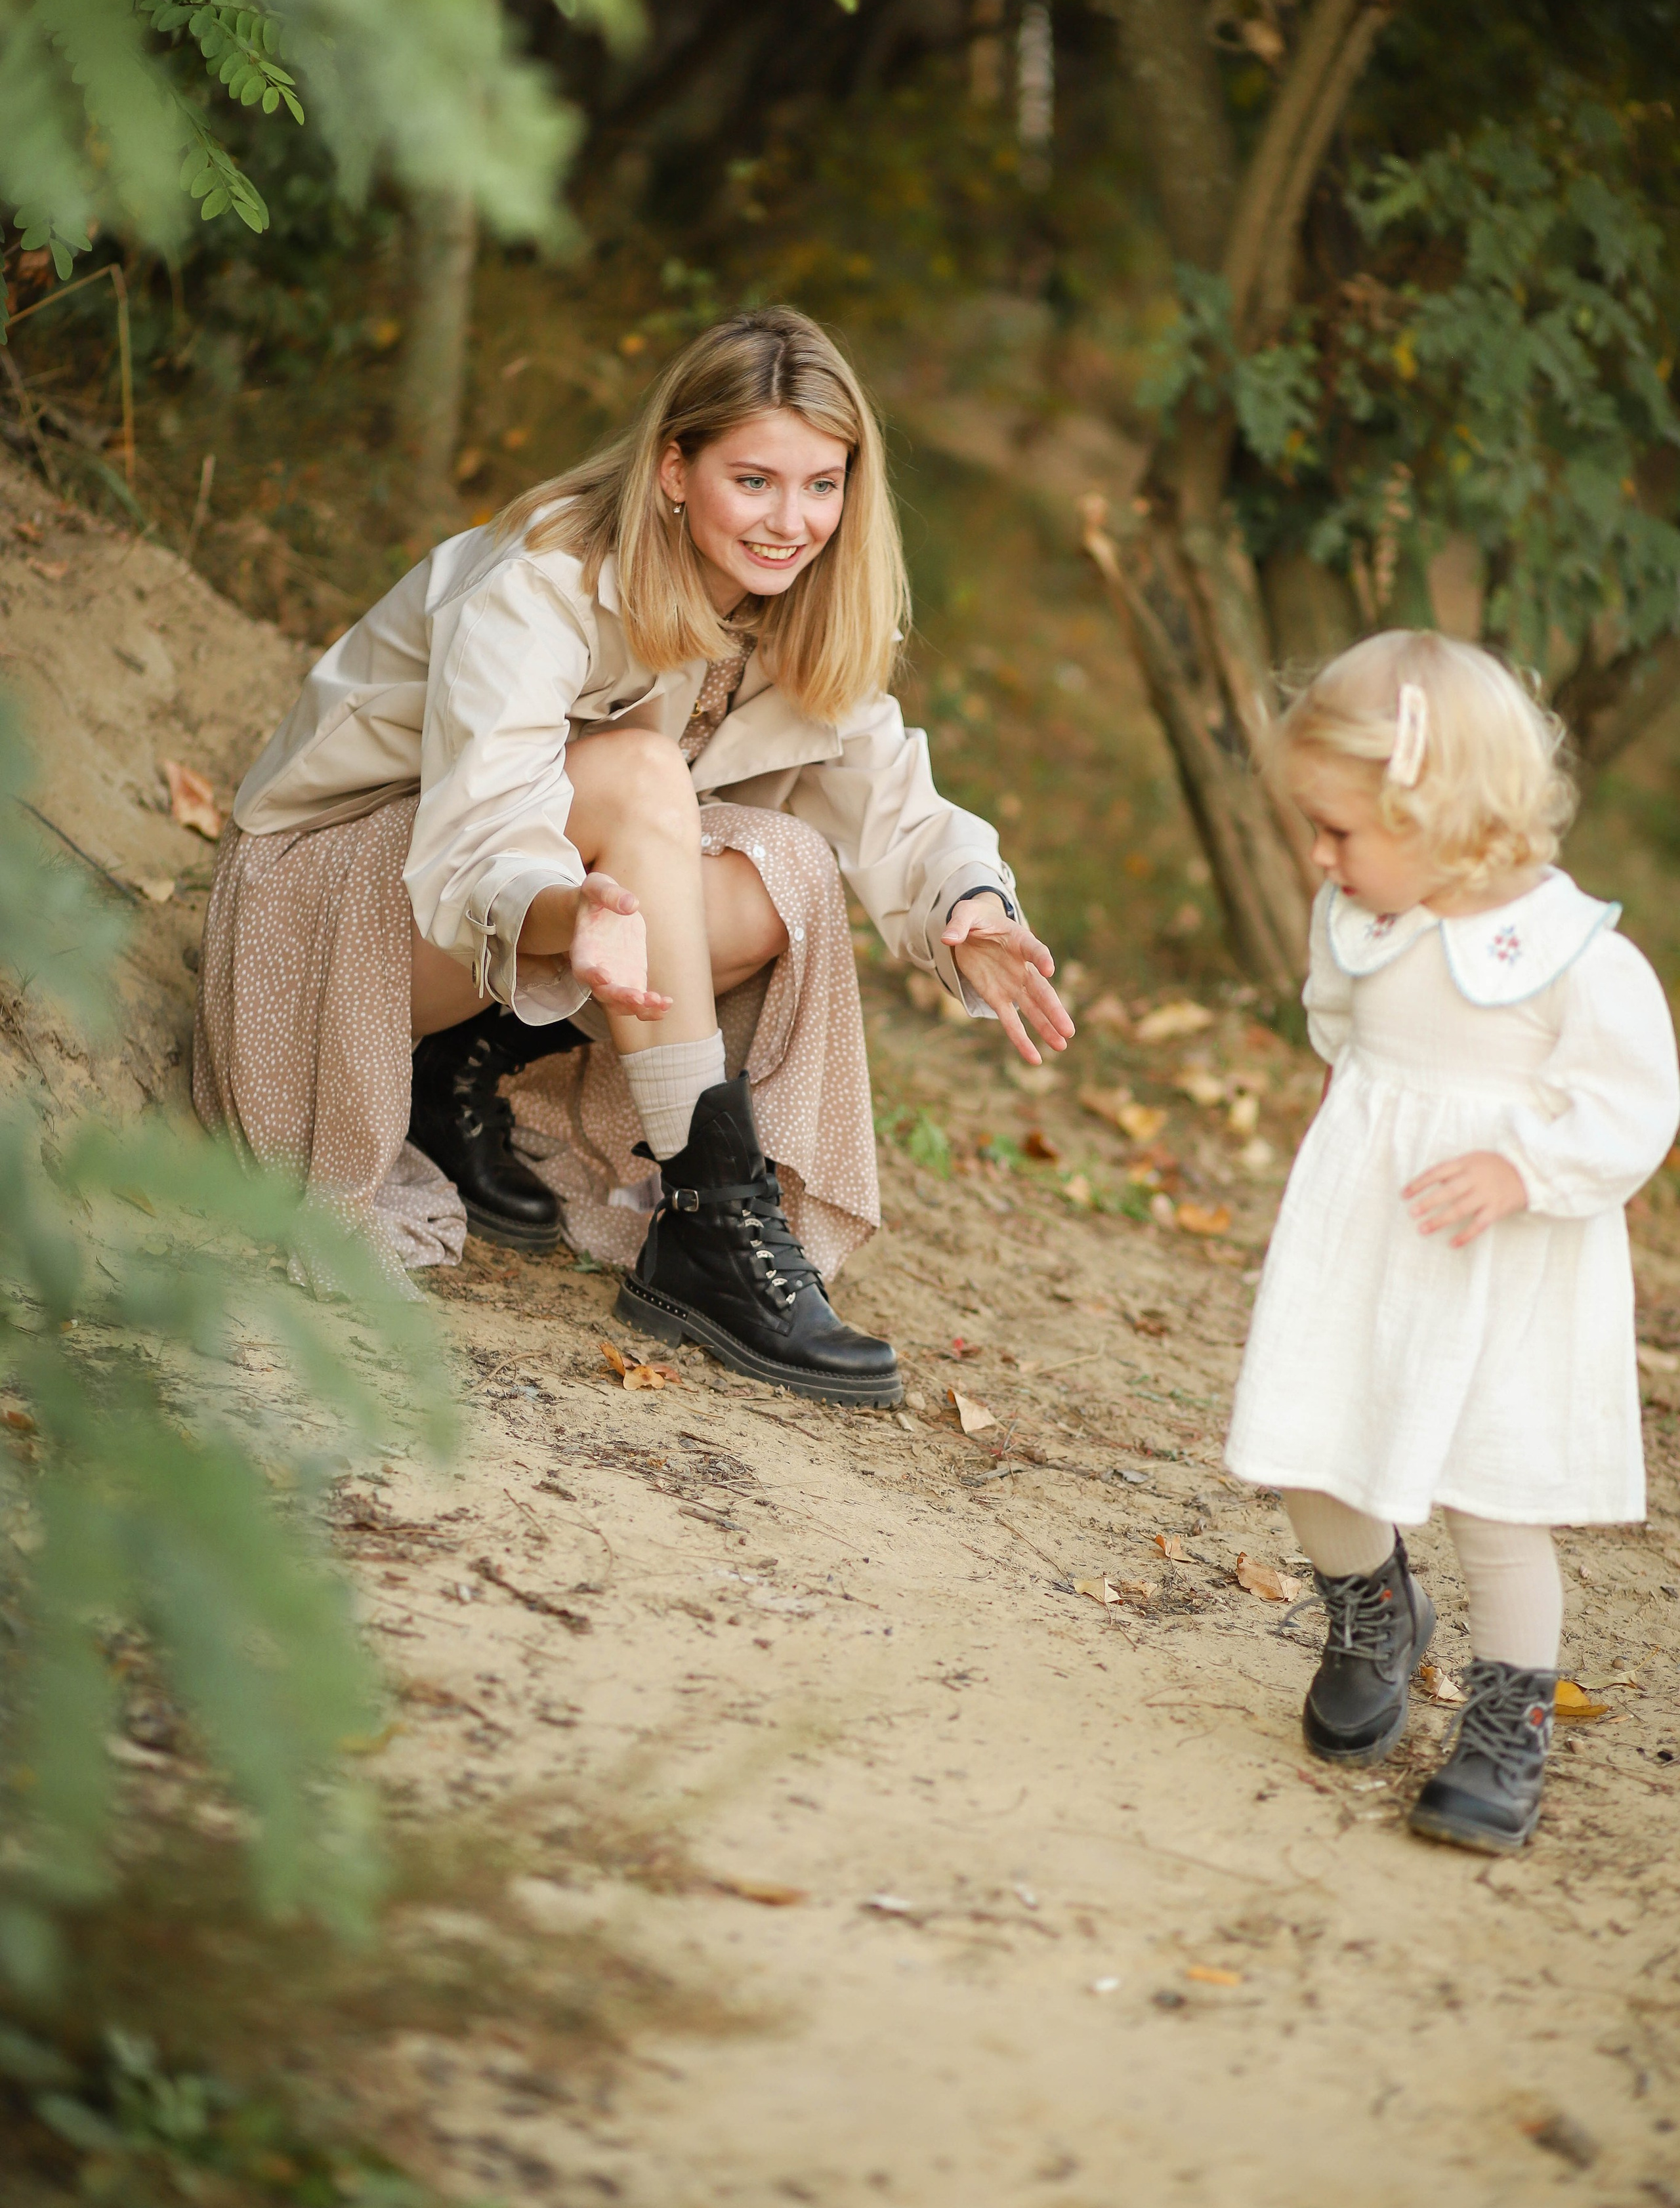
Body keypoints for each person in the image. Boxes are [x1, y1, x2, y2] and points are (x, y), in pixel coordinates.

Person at [193, 305, 1072, 1406]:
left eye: (822, 485)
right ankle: (711, 1218)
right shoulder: (546, 577)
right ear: (673, 471)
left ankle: (448, 1075)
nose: (791, 522)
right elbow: (480, 833)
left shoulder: (795, 611)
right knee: (646, 776)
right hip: (325, 912)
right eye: (753, 481)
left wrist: (972, 905)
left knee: (785, 871)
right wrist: (571, 916)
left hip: (486, 927)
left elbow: (895, 806)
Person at [1225, 630, 1679, 1854]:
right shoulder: (1358, 920)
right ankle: (1375, 1606)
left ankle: (1505, 1722)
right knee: (1313, 1443)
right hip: (1369, 1230)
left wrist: (1523, 1165)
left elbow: (1636, 1107)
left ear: (1438, 810)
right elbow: (1345, 1038)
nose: (1319, 858)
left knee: (1493, 1495)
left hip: (1503, 1260)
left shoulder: (1577, 957)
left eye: (1338, 831)